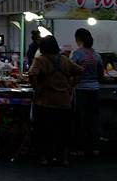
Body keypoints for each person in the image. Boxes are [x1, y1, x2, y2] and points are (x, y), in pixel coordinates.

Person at [28, 35, 82, 166]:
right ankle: (63, 158)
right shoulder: (64, 59)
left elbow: (31, 74)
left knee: (43, 130)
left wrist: (37, 88)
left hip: (45, 101)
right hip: (64, 101)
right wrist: (71, 85)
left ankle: (44, 158)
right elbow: (80, 71)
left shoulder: (40, 60)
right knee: (63, 131)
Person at [70, 28, 103, 157]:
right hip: (95, 90)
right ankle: (94, 147)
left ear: (78, 39)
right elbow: (101, 74)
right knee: (93, 119)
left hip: (80, 90)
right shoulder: (97, 55)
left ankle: (80, 148)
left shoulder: (76, 54)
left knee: (79, 118)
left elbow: (71, 71)